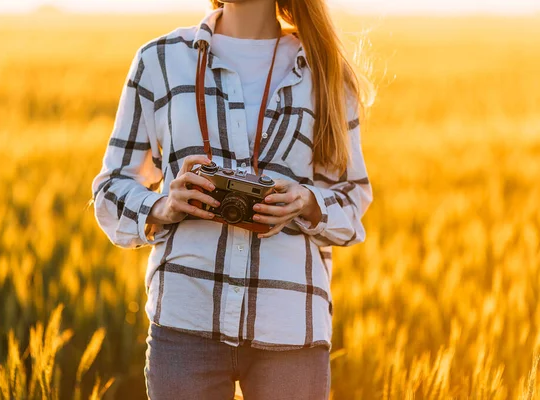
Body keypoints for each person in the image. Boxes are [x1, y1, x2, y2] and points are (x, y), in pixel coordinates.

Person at [91, 0, 374, 398]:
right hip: (185, 320)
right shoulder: (160, 60)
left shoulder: (324, 70)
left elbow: (353, 196)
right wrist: (163, 206)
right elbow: (110, 187)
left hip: (291, 326)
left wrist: (306, 201)